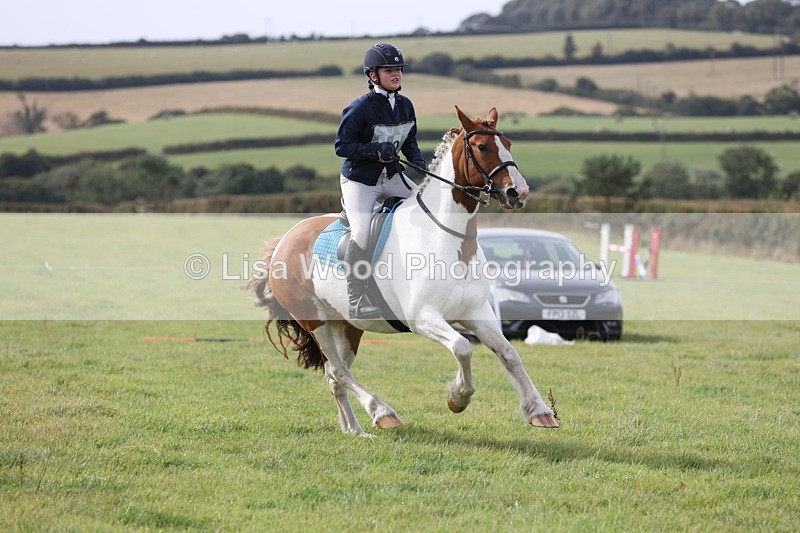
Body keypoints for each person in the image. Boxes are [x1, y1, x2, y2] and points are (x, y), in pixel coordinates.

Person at [335, 43, 426, 319]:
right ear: (373, 75)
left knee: (426, 208)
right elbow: (342, 146)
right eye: (389, 70)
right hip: (361, 181)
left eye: (398, 69)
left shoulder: (405, 105)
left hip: (392, 176)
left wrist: (421, 164)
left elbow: (410, 143)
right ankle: (356, 298)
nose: (396, 74)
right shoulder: (359, 108)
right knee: (361, 233)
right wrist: (373, 150)